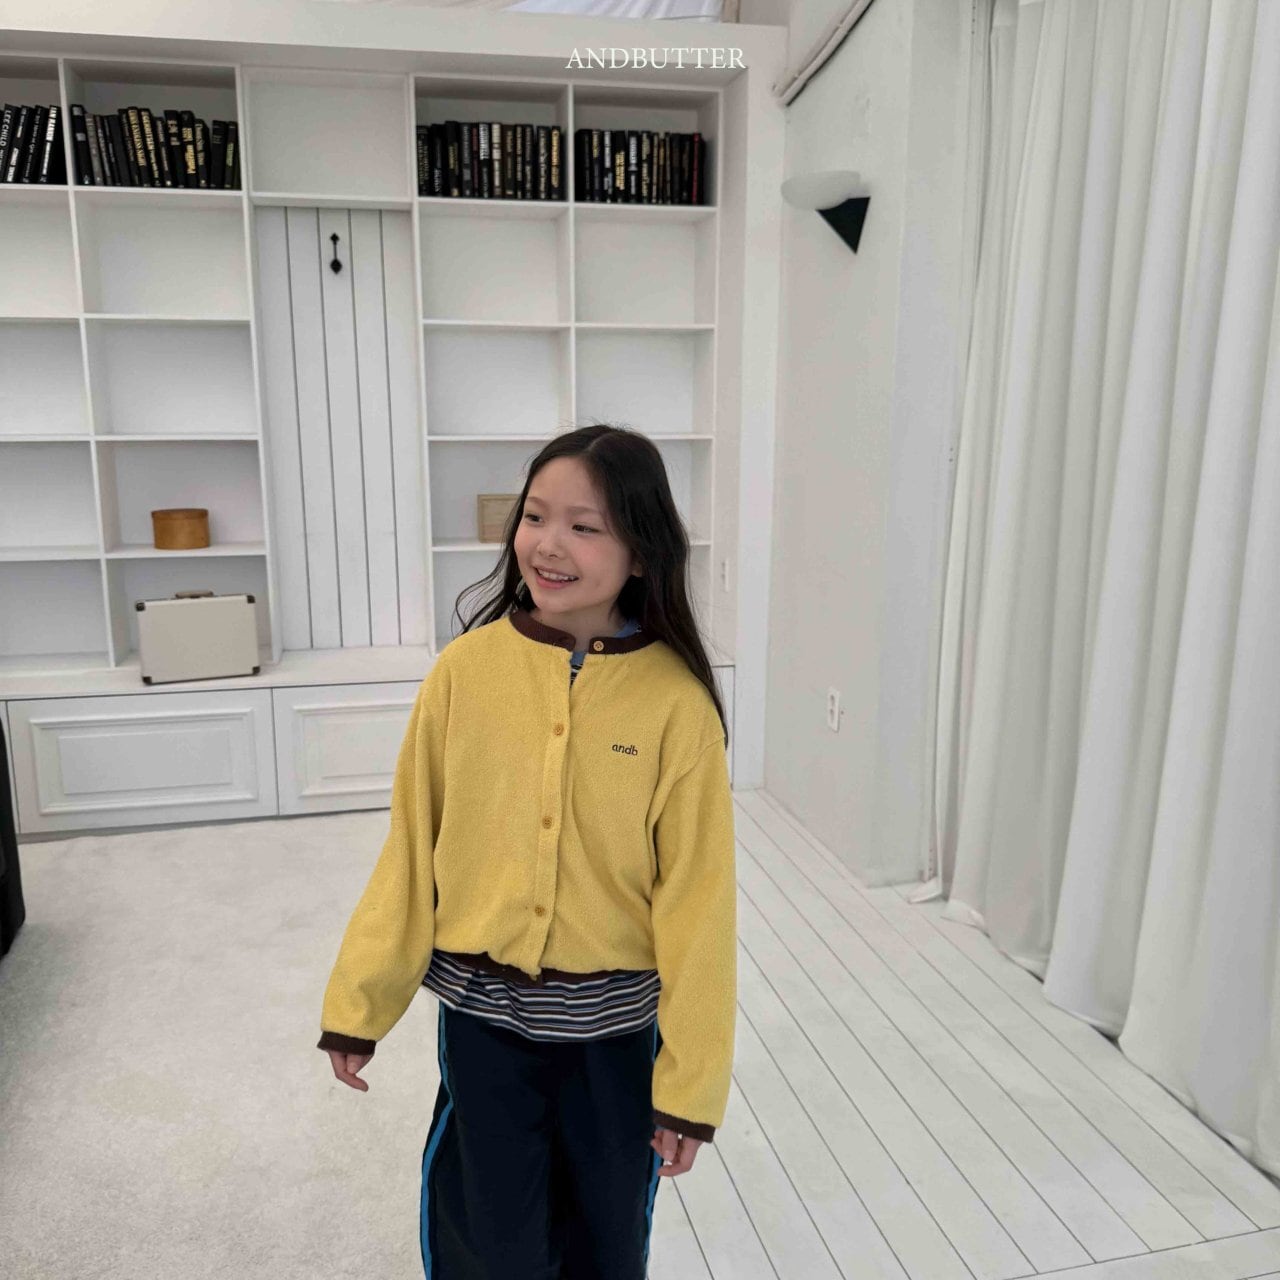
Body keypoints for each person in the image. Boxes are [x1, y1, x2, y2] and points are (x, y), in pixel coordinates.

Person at [316, 423, 737, 1279]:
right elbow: (412, 849)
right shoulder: (463, 673)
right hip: (485, 1022)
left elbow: (699, 902)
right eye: (535, 516)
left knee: (605, 1238)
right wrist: (361, 1000)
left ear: (643, 552)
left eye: (585, 526)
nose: (548, 544)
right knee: (488, 1233)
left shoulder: (676, 706)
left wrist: (690, 1088)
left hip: (616, 1036)